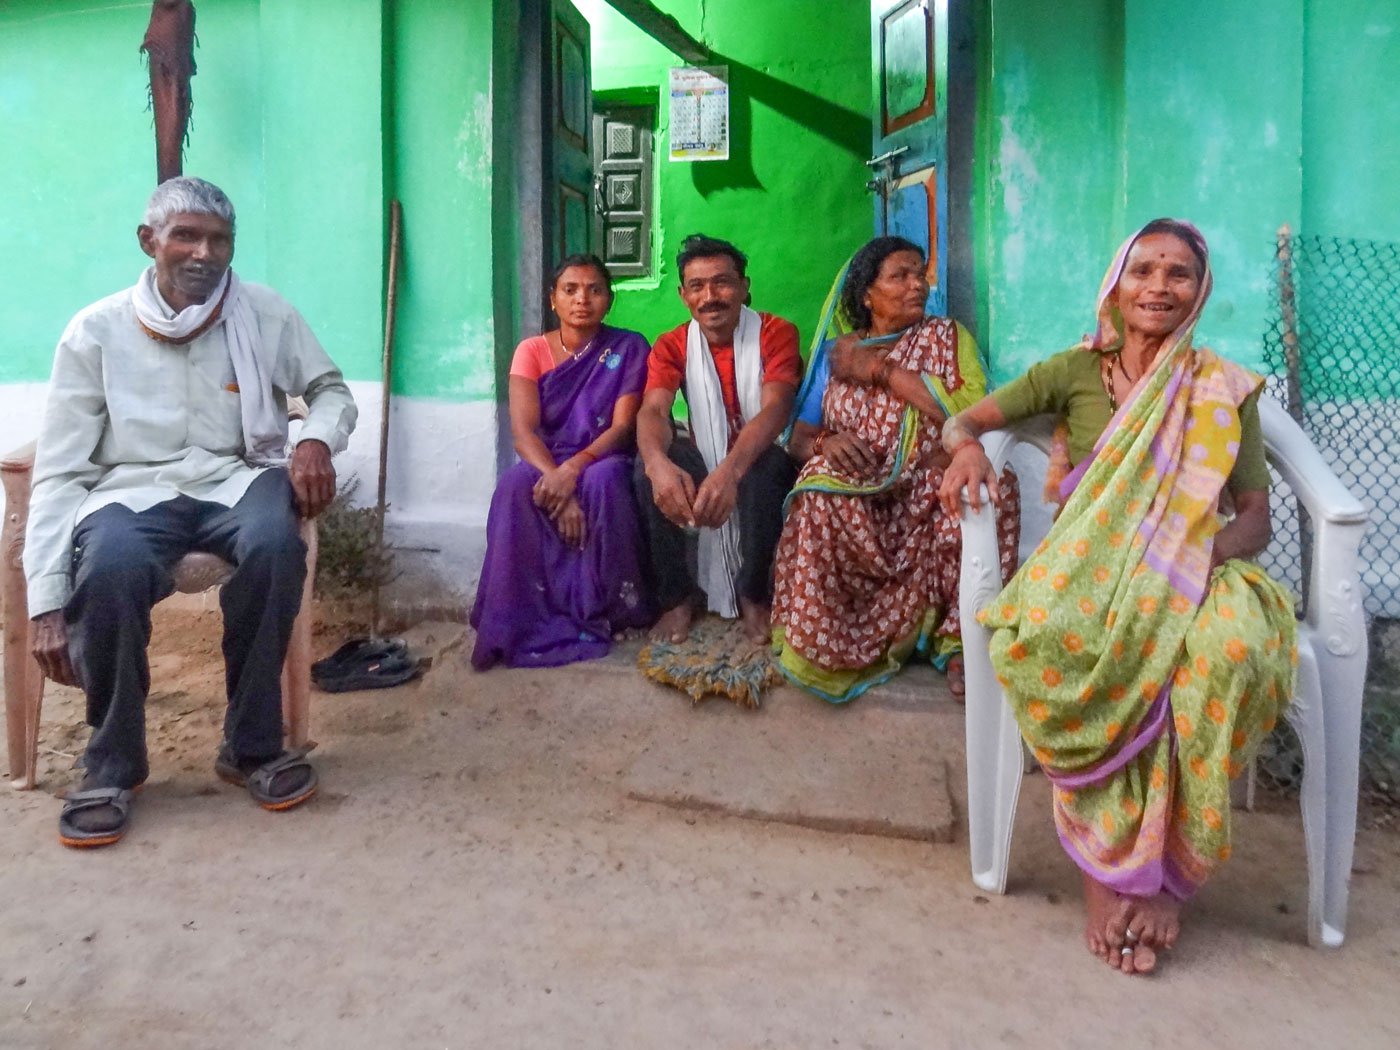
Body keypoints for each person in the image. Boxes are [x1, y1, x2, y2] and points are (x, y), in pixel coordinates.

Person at [938, 219, 1296, 975]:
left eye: (1179, 275)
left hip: (1196, 565)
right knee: (1037, 640)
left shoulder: (1222, 388)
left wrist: (1194, 563)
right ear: (1116, 284)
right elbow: (964, 418)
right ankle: (1108, 872)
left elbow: (1256, 517)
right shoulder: (1073, 370)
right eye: (1144, 271)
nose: (1159, 288)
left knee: (1220, 654)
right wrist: (966, 445)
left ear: (1201, 292)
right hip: (1088, 571)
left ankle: (1164, 883)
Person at [24, 176, 358, 848]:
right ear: (149, 242)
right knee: (111, 567)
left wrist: (318, 437)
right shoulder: (95, 331)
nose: (204, 252)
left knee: (275, 545)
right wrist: (45, 599)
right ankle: (113, 761)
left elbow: (329, 391)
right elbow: (61, 469)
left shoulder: (264, 313)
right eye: (187, 235)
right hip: (130, 489)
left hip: (238, 475)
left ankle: (253, 746)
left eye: (220, 239)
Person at [772, 236, 1020, 703]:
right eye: (899, 276)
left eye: (919, 273)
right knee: (816, 490)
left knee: (992, 486)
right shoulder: (836, 354)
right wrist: (827, 442)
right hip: (860, 490)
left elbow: (969, 410)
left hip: (928, 482)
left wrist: (882, 372)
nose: (917, 285)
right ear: (866, 293)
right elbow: (798, 436)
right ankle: (827, 641)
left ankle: (961, 639)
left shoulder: (947, 337)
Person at [470, 254, 652, 668]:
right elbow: (523, 432)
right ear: (553, 299)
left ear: (609, 299)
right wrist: (558, 481)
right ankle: (517, 616)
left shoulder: (628, 347)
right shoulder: (531, 351)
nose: (581, 299)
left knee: (605, 480)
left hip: (601, 455)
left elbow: (623, 427)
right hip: (546, 460)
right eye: (570, 290)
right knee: (515, 487)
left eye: (594, 290)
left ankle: (613, 609)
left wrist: (574, 470)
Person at [634, 234, 801, 644]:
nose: (710, 296)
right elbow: (654, 411)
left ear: (744, 286)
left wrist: (730, 470)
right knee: (645, 471)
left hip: (759, 449)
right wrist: (658, 466)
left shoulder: (775, 333)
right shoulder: (672, 344)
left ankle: (754, 596)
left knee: (766, 471)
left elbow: (774, 409)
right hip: (704, 447)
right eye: (697, 286)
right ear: (683, 294)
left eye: (722, 282)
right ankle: (676, 600)